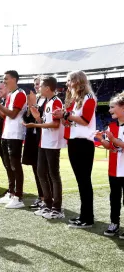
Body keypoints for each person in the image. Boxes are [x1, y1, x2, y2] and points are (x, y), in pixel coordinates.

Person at [53, 70, 96, 228]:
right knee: (81, 181)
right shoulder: (75, 100)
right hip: (74, 142)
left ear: (78, 81)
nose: (67, 84)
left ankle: (88, 218)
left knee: (84, 181)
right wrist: (63, 117)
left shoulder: (89, 98)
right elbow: (72, 122)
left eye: (69, 80)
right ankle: (84, 215)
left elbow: (85, 120)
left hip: (84, 143)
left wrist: (66, 115)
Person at [24, 76, 65, 219]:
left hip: (52, 144)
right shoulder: (48, 102)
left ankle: (57, 208)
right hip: (44, 142)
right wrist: (37, 118)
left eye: (41, 86)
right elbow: (46, 123)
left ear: (47, 88)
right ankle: (47, 205)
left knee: (53, 174)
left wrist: (35, 124)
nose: (39, 88)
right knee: (41, 173)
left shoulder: (56, 102)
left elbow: (55, 124)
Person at [0, 70, 27, 209]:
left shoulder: (20, 94)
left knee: (15, 166)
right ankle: (11, 193)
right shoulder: (10, 95)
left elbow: (13, 114)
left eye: (6, 79)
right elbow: (6, 115)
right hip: (6, 133)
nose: (4, 81)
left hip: (15, 134)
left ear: (14, 79)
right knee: (9, 165)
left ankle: (18, 196)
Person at [96, 92, 124, 237]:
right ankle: (114, 223)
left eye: (112, 107)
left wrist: (114, 140)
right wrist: (102, 139)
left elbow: (119, 144)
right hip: (113, 169)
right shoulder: (111, 126)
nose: (109, 110)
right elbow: (111, 147)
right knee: (114, 198)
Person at [23, 77, 48, 209]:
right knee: (36, 169)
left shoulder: (49, 100)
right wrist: (29, 106)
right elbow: (27, 119)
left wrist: (35, 109)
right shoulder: (36, 99)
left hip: (44, 139)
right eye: (35, 84)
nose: (37, 86)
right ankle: (41, 196)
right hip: (33, 138)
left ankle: (48, 199)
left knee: (45, 170)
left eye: (39, 84)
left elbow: (45, 119)